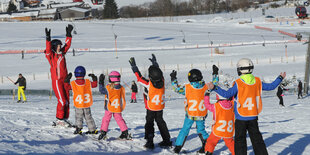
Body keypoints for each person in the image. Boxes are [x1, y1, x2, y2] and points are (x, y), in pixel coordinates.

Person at [207, 58, 286, 155]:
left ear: (239, 70)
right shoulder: (257, 81)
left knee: (240, 141)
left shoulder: (238, 83)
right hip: (253, 116)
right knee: (257, 140)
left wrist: (215, 88)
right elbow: (271, 86)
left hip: (241, 117)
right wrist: (280, 78)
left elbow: (227, 94)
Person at [129, 54, 172, 149]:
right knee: (161, 122)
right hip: (160, 107)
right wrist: (155, 63)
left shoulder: (149, 84)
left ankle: (150, 141)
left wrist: (134, 67)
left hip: (151, 107)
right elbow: (159, 73)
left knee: (149, 123)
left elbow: (139, 78)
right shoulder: (163, 81)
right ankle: (167, 140)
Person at [170, 69, 209, 154]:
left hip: (190, 114)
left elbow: (176, 89)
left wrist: (173, 79)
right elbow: (215, 84)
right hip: (201, 114)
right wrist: (215, 74)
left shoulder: (187, 87)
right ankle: (208, 144)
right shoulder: (206, 87)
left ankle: (178, 147)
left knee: (185, 130)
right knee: (201, 130)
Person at [45, 24, 73, 126]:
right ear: (53, 47)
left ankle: (64, 118)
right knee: (62, 100)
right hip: (56, 81)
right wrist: (48, 39)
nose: (60, 47)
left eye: (60, 46)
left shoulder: (62, 53)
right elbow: (47, 50)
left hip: (65, 80)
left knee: (67, 101)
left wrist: (68, 35)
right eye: (58, 46)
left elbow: (67, 45)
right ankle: (59, 119)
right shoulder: (51, 56)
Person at [97, 71, 132, 140]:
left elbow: (101, 90)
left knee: (106, 119)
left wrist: (101, 82)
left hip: (109, 107)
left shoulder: (108, 88)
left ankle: (103, 132)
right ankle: (125, 132)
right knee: (119, 119)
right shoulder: (121, 88)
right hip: (117, 107)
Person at [64, 66, 98, 134]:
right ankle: (93, 130)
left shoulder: (73, 83)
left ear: (75, 74)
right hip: (86, 103)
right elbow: (94, 85)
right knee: (88, 117)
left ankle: (78, 129)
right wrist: (94, 79)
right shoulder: (87, 82)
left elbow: (67, 87)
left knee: (79, 117)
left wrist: (66, 80)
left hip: (79, 104)